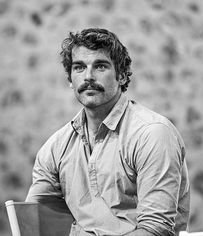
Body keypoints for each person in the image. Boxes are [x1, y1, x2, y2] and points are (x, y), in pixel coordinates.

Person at [26, 28, 190, 236]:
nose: (88, 76)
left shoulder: (152, 134)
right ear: (70, 79)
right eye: (79, 68)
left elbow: (155, 230)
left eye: (100, 66)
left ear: (121, 76)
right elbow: (34, 224)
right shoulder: (55, 147)